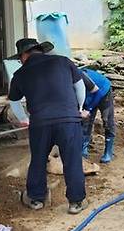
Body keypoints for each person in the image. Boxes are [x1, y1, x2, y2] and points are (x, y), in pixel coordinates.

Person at [7, 38, 88, 214]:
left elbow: (13, 101)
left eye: (20, 58)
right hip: (69, 120)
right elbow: (80, 87)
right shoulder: (63, 61)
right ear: (39, 50)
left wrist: (24, 119)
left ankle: (36, 200)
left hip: (40, 123)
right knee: (72, 161)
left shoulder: (20, 74)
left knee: (38, 160)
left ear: (24, 55)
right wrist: (79, 108)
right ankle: (76, 203)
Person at [80, 68, 116, 163]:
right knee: (85, 122)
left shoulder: (80, 75)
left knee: (107, 119)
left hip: (103, 92)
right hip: (87, 95)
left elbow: (97, 92)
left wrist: (89, 109)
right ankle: (83, 149)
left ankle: (108, 152)